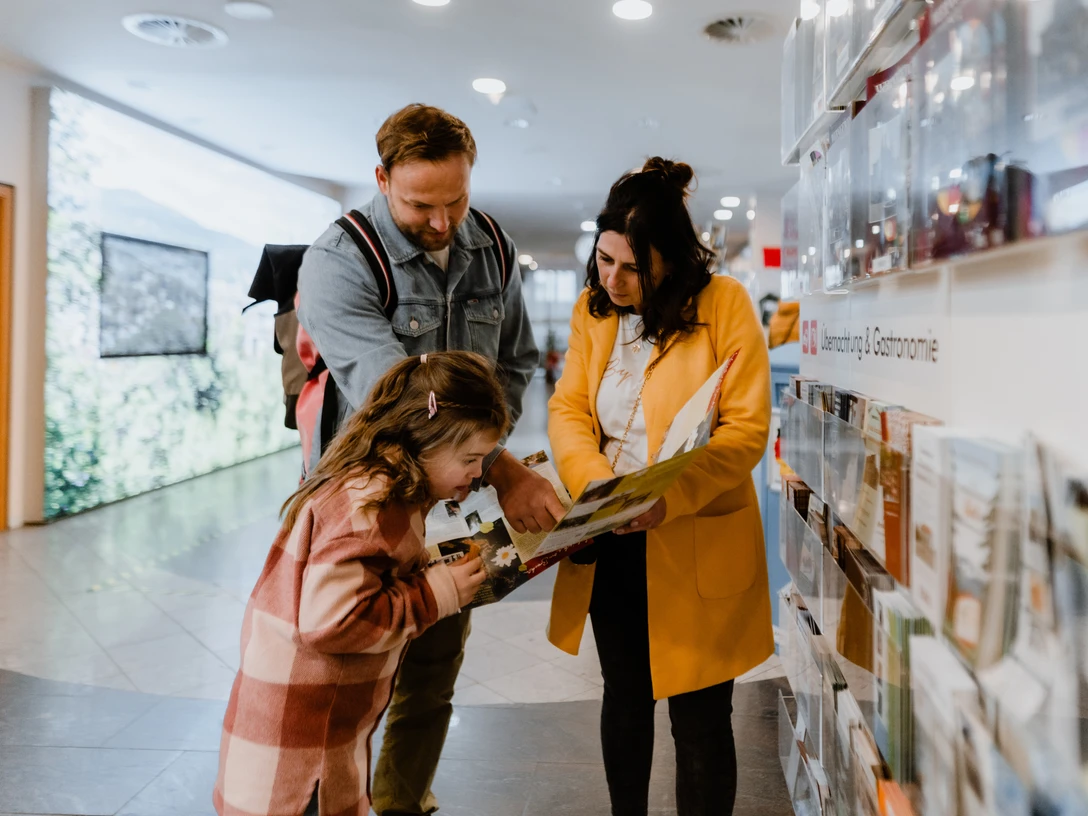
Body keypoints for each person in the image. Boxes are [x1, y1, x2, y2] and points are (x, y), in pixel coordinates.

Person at [296, 104, 564, 815]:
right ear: (382, 179)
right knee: (350, 679)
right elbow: (401, 399)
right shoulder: (338, 261)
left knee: (433, 673)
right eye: (421, 205)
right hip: (366, 508)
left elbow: (515, 361)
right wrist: (500, 467)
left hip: (455, 500)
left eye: (457, 200)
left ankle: (401, 804)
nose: (444, 223)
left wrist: (477, 463)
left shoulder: (492, 246)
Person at [546, 158, 774, 816]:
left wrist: (668, 498)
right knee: (625, 697)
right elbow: (568, 410)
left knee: (700, 717)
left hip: (694, 536)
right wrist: (601, 490)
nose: (612, 280)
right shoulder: (592, 312)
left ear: (670, 262)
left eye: (632, 268)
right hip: (612, 536)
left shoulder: (723, 304)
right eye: (604, 260)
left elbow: (745, 430)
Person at [214, 352, 505, 816]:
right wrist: (436, 594)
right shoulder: (372, 503)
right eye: (469, 459)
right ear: (425, 439)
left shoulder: (381, 485)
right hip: (302, 761)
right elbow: (331, 620)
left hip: (303, 736)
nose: (477, 472)